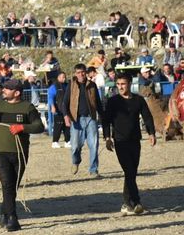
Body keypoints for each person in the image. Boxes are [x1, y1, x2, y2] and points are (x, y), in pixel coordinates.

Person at [0, 79, 44, 231]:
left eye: (8, 88)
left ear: (17, 92)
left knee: (13, 186)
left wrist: (22, 127)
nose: (4, 90)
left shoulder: (27, 107)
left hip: (20, 153)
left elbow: (39, 126)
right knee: (7, 184)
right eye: (4, 88)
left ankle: (3, 213)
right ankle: (13, 218)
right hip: (1, 152)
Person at [103, 75, 156, 215]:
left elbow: (147, 117)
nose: (120, 87)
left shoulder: (138, 100)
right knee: (129, 170)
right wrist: (107, 138)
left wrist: (151, 133)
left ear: (129, 84)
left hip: (135, 140)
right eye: (118, 84)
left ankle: (126, 204)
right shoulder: (113, 101)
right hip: (120, 141)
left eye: (123, 84)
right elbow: (106, 120)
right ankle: (137, 201)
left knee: (132, 172)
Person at [61, 63, 103, 176]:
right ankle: (76, 161)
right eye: (78, 72)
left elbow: (98, 103)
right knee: (75, 146)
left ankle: (93, 170)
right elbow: (64, 103)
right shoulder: (71, 85)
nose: (81, 74)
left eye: (83, 72)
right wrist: (66, 116)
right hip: (76, 119)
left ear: (86, 72)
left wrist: (103, 117)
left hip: (91, 119)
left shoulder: (92, 85)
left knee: (93, 144)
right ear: (75, 74)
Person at [48, 72, 71, 148]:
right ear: (58, 78)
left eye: (64, 77)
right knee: (58, 126)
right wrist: (52, 106)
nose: (64, 78)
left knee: (67, 125)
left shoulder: (67, 85)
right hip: (58, 109)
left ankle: (67, 141)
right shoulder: (54, 86)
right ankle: (55, 142)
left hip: (66, 109)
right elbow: (51, 97)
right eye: (62, 77)